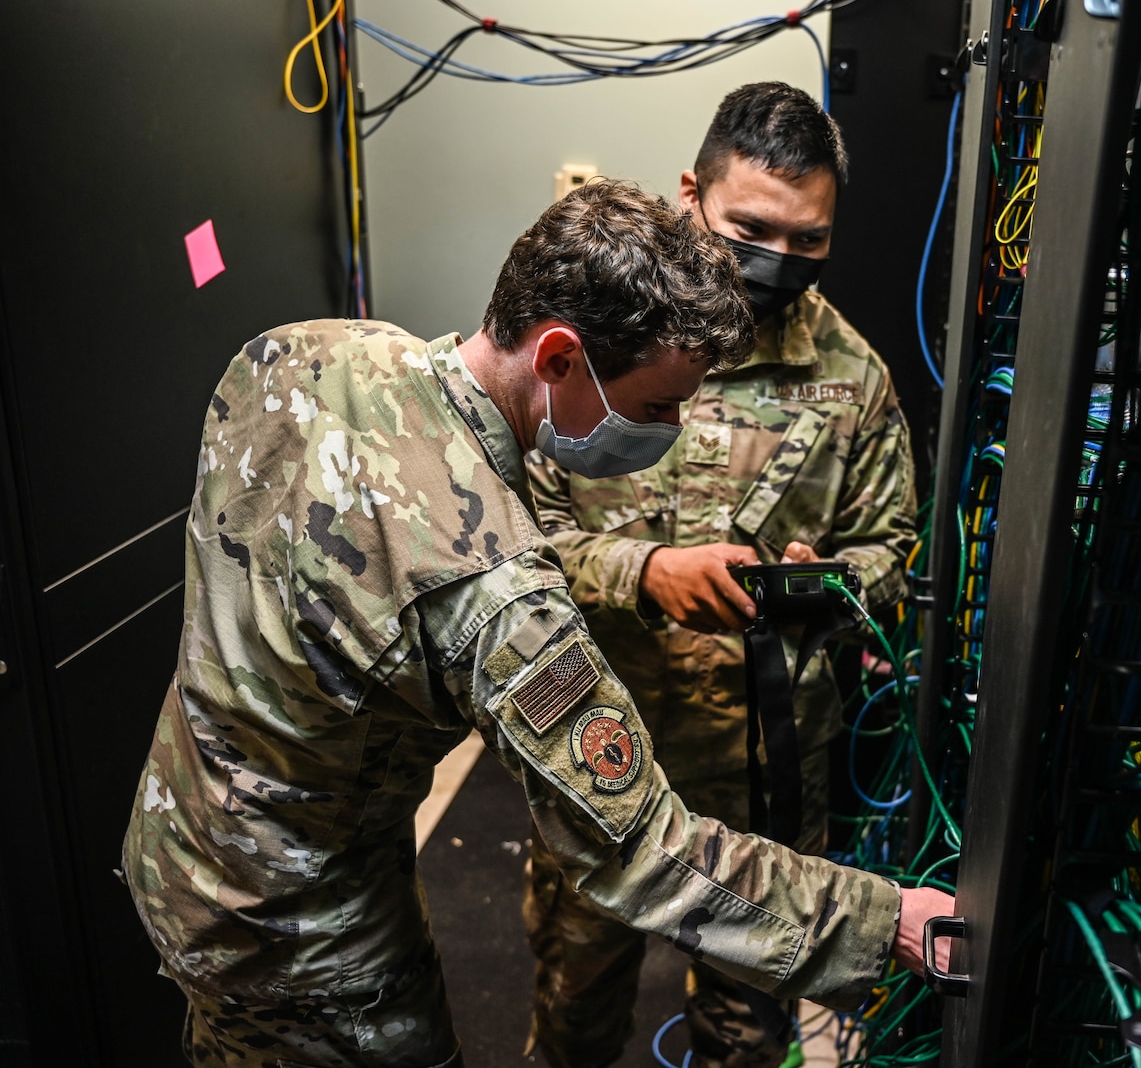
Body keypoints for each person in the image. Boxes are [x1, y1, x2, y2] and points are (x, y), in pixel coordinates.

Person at [121, 179, 950, 1068]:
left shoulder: (307, 353)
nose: (668, 430)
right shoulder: (493, 588)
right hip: (310, 941)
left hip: (181, 847)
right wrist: (887, 920)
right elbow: (640, 851)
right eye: (658, 406)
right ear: (557, 357)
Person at [524, 84, 918, 1068]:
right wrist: (643, 572)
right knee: (576, 1017)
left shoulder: (851, 377)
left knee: (746, 1039)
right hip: (598, 754)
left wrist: (835, 581)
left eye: (809, 239)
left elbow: (893, 550)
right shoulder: (597, 335)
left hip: (767, 770)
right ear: (691, 193)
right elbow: (510, 538)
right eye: (751, 228)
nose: (777, 259)